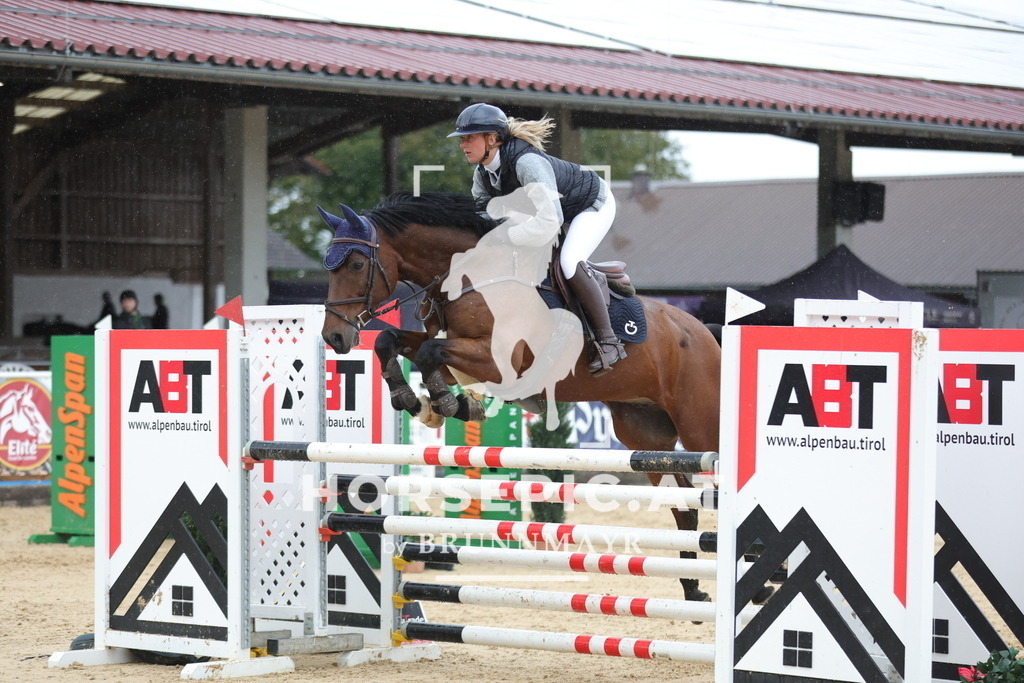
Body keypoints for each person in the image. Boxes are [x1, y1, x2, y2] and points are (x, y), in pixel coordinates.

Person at [448, 102, 624, 375]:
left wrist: (506, 235)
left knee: (569, 261)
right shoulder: (482, 174)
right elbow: (484, 216)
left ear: (492, 139)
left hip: (591, 204)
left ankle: (609, 341)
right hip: (552, 212)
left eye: (469, 137)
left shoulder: (527, 163)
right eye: (462, 139)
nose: (462, 145)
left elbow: (549, 222)